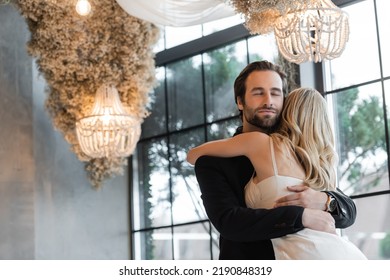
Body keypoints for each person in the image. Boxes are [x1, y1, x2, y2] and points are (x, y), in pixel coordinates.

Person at [189, 60, 358, 260]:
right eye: (258, 92)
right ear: (240, 102)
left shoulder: (299, 150)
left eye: (276, 93)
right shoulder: (212, 162)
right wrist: (301, 216)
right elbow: (229, 222)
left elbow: (349, 213)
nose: (268, 100)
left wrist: (324, 201)